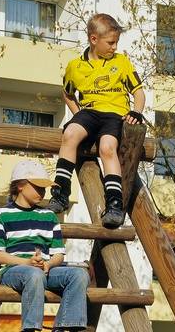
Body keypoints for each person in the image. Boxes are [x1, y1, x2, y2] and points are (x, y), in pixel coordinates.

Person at [48, 13, 146, 229]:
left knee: (107, 147)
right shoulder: (75, 66)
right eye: (111, 42)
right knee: (71, 134)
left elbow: (139, 93)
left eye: (116, 42)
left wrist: (136, 112)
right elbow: (67, 93)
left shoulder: (121, 62)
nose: (114, 47)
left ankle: (114, 204)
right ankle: (61, 192)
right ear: (94, 39)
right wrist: (77, 114)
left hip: (115, 113)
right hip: (90, 112)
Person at [0, 160, 89, 331]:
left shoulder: (49, 216)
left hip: (44, 270)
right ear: (20, 185)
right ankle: (31, 328)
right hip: (14, 270)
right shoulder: (2, 214)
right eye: (38, 187)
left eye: (44, 188)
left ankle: (66, 327)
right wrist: (27, 263)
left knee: (79, 275)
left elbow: (58, 254)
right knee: (34, 274)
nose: (43, 191)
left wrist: (48, 264)